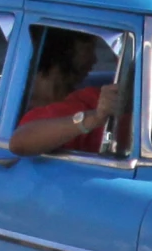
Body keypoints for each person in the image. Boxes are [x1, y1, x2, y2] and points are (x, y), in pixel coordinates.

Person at [9, 29, 123, 157]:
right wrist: (93, 118)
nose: (94, 60)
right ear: (65, 49)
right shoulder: (11, 103)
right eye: (88, 50)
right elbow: (19, 143)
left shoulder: (85, 99)